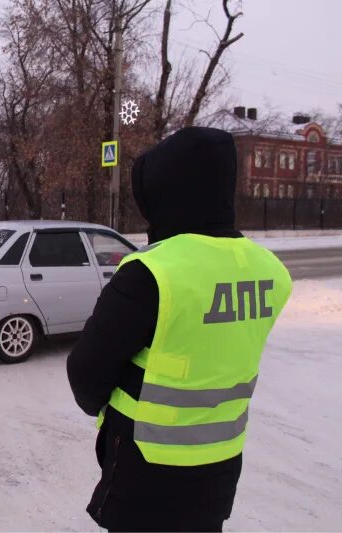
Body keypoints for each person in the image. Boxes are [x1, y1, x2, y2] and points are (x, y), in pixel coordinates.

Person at [67, 127, 293, 532]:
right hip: (220, 467)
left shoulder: (152, 272)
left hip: (145, 471)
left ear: (166, 190)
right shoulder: (271, 273)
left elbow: (86, 371)